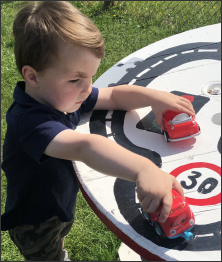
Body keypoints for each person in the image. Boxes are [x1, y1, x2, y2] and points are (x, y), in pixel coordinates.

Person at [1, 1, 195, 261]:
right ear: (33, 77)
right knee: (48, 254)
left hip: (58, 200)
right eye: (75, 79)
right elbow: (85, 147)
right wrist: (144, 169)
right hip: (36, 220)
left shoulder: (62, 95)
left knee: (61, 232)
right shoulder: (30, 122)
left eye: (91, 76)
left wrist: (154, 97)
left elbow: (113, 96)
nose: (86, 88)